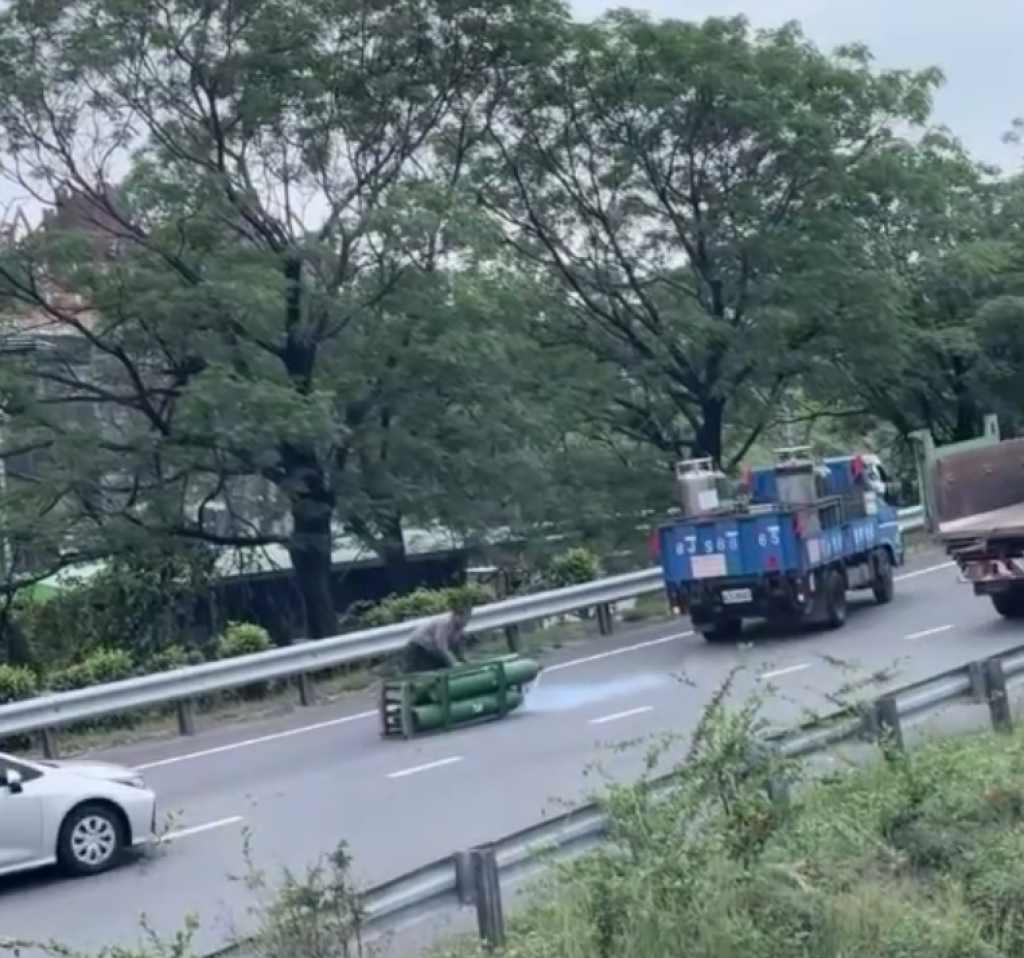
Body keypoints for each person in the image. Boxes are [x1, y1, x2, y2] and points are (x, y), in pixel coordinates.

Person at [402, 593, 475, 673]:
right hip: (419, 647)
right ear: (456, 616)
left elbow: (457, 649)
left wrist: (465, 662)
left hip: (431, 649)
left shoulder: (458, 628)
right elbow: (441, 647)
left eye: (468, 618)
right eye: (464, 618)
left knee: (442, 666)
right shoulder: (445, 623)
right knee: (421, 672)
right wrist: (454, 663)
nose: (466, 621)